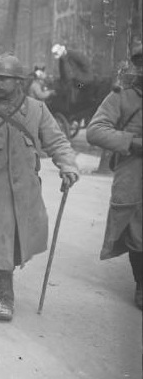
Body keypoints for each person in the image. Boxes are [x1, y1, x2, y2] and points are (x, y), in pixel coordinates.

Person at [0, 53, 79, 322]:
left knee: (17, 245)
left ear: (18, 81)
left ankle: (5, 284)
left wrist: (68, 166)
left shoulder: (36, 110)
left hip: (25, 195)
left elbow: (56, 141)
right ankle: (5, 298)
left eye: (4, 79)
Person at [86, 39, 142, 310]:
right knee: (137, 230)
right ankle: (141, 284)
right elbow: (95, 131)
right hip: (134, 172)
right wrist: (131, 142)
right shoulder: (122, 97)